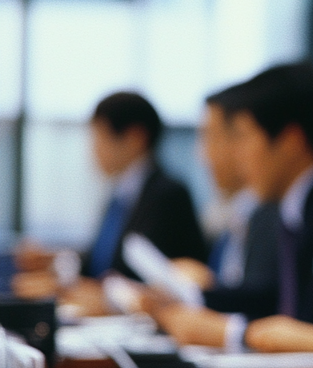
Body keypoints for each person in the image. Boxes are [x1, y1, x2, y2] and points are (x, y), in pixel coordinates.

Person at [155, 63, 313, 352]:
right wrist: (195, 298)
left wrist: (230, 333)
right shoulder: (306, 197)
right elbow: (274, 298)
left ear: (290, 140)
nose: (237, 154)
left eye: (245, 137)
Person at [14, 91, 206, 312]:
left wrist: (66, 286)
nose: (93, 149)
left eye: (99, 137)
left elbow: (136, 273)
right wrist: (56, 261)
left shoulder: (167, 194)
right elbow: (100, 259)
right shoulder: (121, 193)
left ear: (135, 138)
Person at [172, 85, 278, 296]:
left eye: (211, 137)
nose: (203, 155)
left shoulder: (276, 215)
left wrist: (209, 289)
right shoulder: (232, 214)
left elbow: (262, 303)